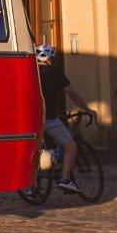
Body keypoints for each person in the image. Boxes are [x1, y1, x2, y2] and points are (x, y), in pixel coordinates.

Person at [37, 44, 94, 194]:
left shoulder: (31, 72)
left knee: (35, 151)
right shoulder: (53, 72)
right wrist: (87, 109)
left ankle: (32, 188)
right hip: (48, 118)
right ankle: (66, 179)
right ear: (49, 58)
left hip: (31, 119)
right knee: (71, 147)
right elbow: (72, 94)